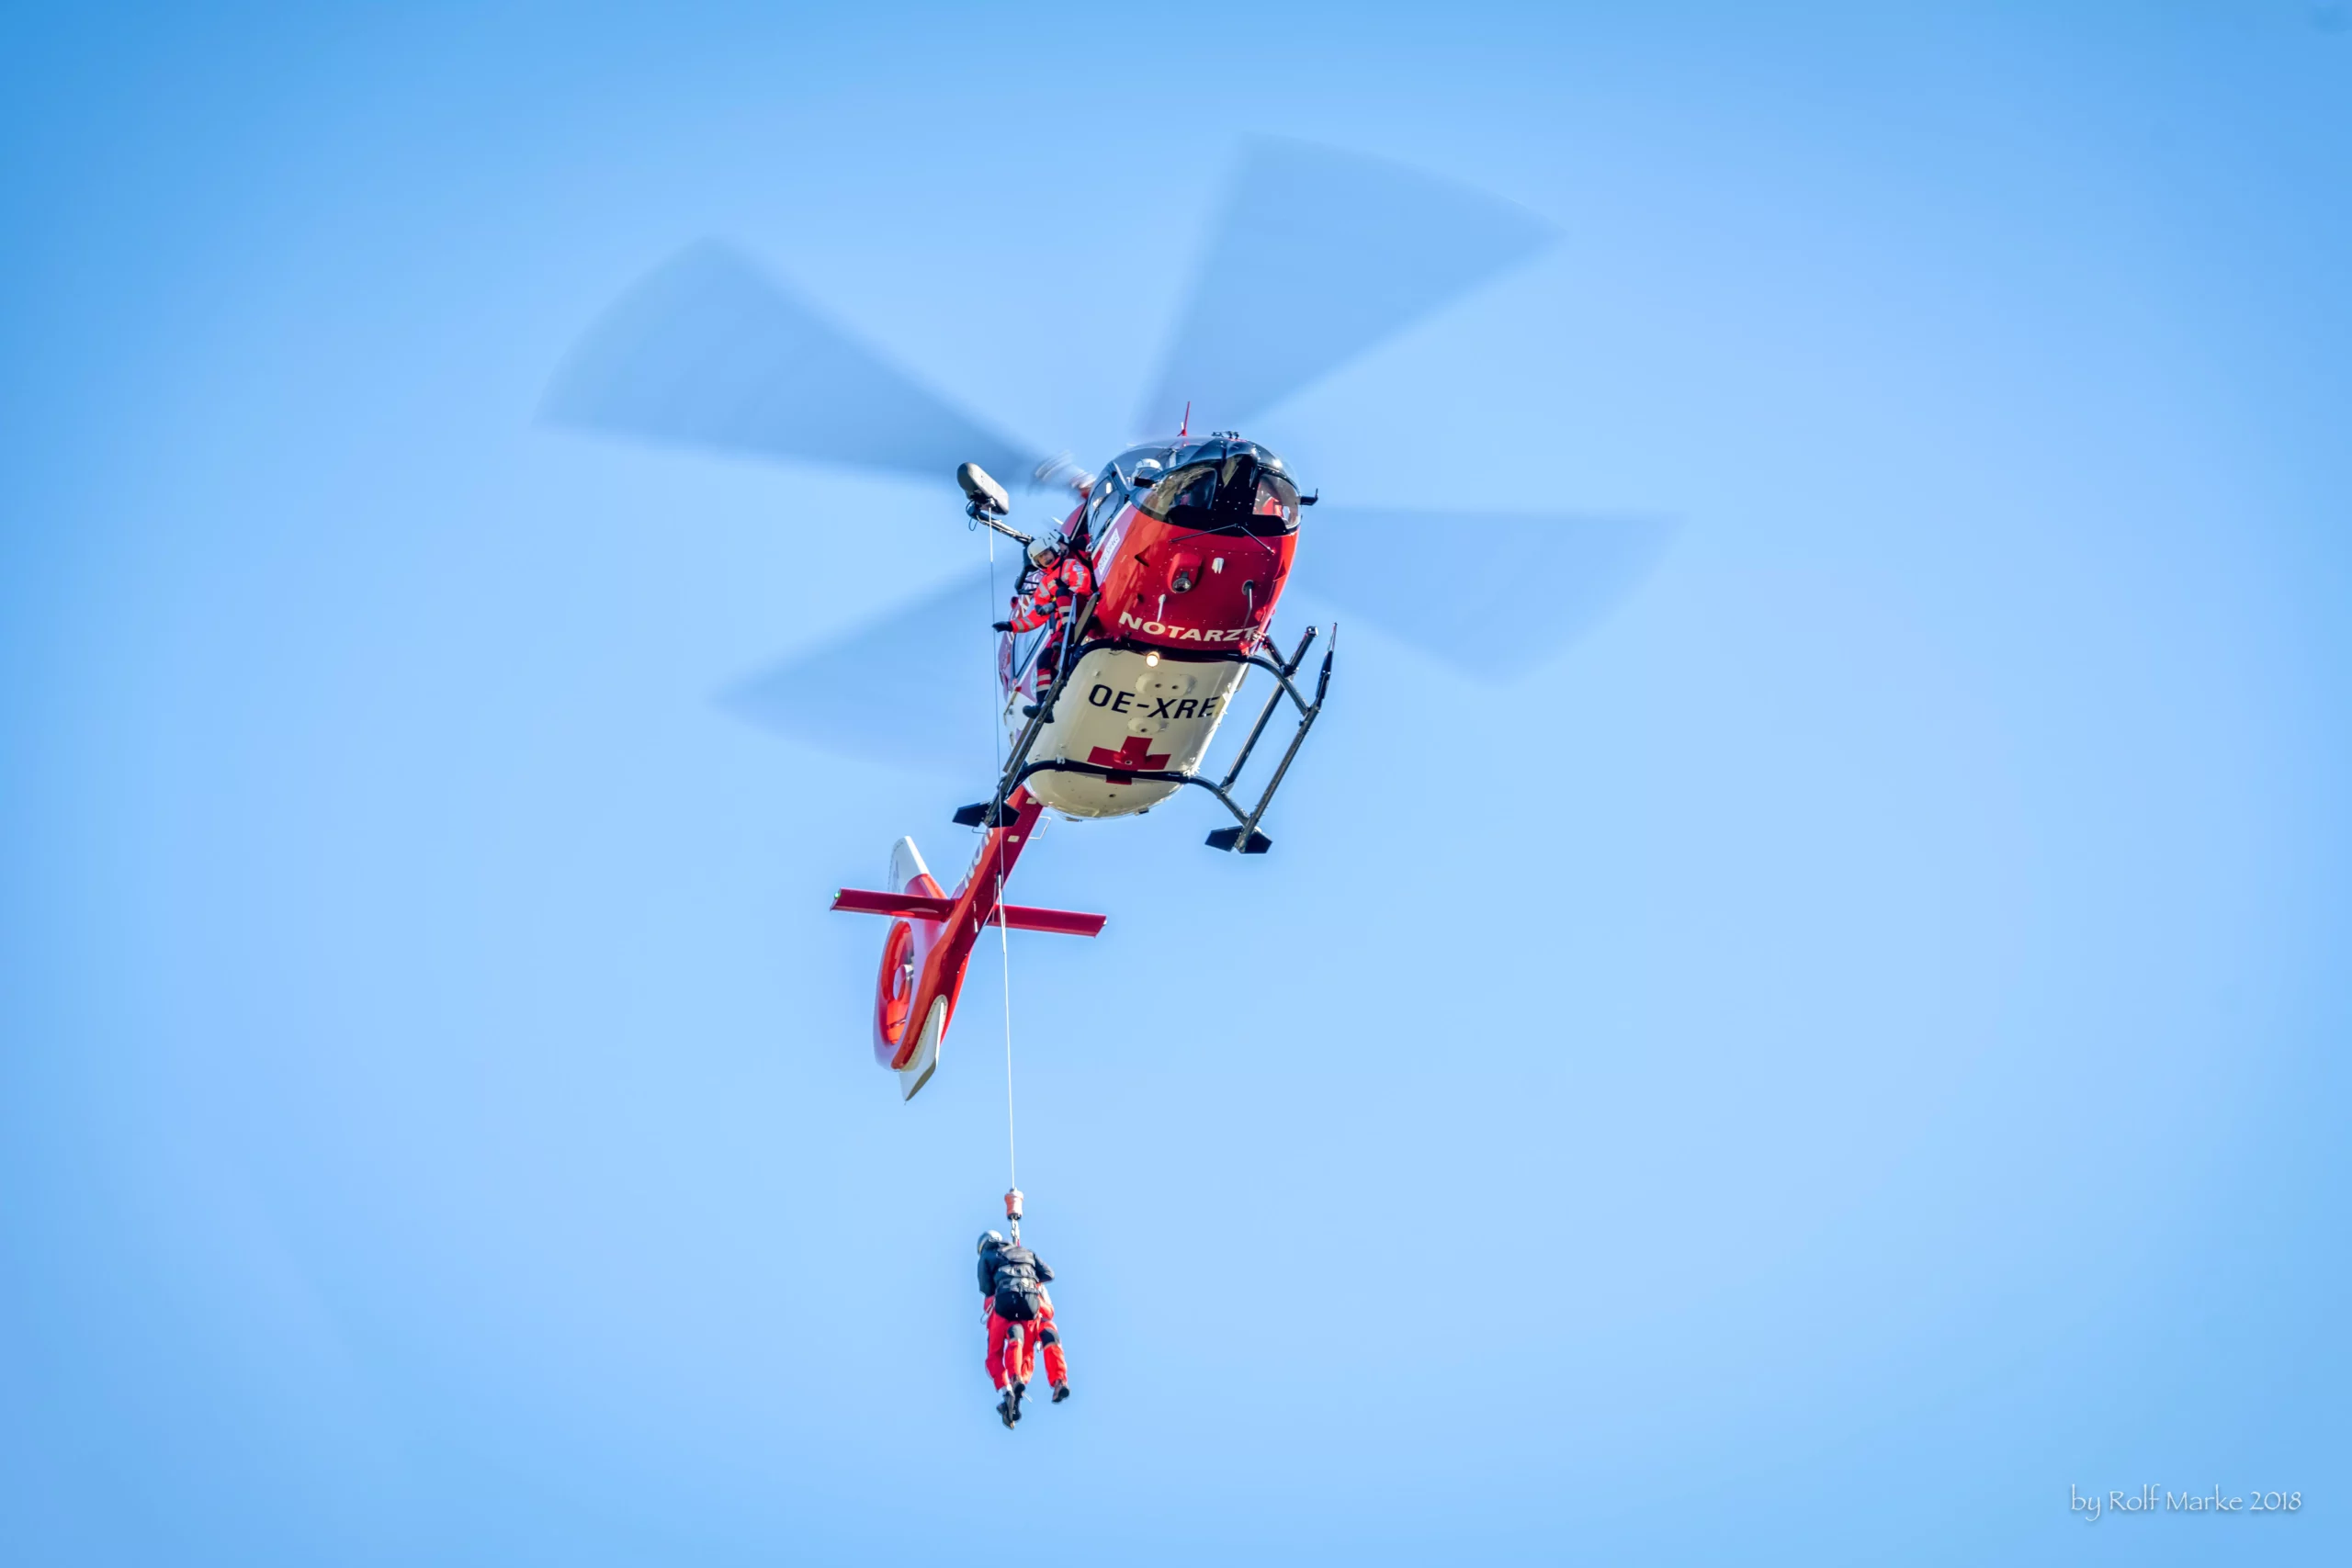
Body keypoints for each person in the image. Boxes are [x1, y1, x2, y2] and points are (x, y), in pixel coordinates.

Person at [991, 534, 1095, 716]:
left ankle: (1068, 635)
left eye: (1046, 553)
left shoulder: (1071, 565)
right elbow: (1035, 617)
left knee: (1063, 592)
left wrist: (1053, 604)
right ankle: (1043, 706)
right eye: (1041, 557)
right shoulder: (1044, 584)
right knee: (1044, 659)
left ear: (1053, 550)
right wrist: (1011, 626)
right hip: (1062, 627)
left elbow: (1083, 586)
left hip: (1082, 609)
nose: (1046, 558)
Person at [977, 1228, 1070, 1427]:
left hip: (1003, 1308)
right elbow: (1049, 1275)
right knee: (1037, 1339)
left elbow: (986, 1288)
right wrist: (1029, 1276)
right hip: (1032, 1308)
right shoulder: (1028, 1254)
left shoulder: (986, 1256)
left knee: (995, 1354)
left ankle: (1010, 1385)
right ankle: (1058, 1381)